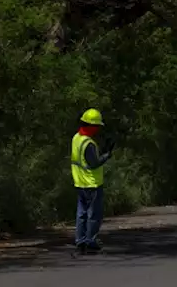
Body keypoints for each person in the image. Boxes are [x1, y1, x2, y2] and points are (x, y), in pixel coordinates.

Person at [71, 108, 115, 255]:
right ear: (90, 125)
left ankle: (80, 241)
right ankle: (91, 240)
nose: (97, 129)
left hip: (80, 182)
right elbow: (94, 163)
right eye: (96, 126)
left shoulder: (76, 138)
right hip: (92, 183)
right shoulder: (88, 143)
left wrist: (101, 151)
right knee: (94, 215)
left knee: (81, 214)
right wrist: (107, 155)